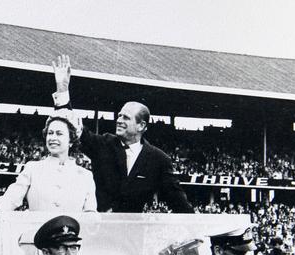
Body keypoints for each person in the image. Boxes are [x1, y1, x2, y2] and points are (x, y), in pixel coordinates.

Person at [51, 55, 193, 213]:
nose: (118, 120)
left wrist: (200, 230)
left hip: (132, 235)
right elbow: (73, 127)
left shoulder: (158, 159)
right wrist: (62, 90)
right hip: (98, 230)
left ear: (141, 125)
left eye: (126, 117)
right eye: (119, 115)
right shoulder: (103, 144)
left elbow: (178, 201)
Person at [0, 112, 97, 223]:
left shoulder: (85, 176)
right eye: (50, 133)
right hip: (36, 240)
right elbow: (12, 196)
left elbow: (90, 215)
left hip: (71, 241)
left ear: (71, 141)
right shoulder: (32, 168)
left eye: (59, 133)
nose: (53, 138)